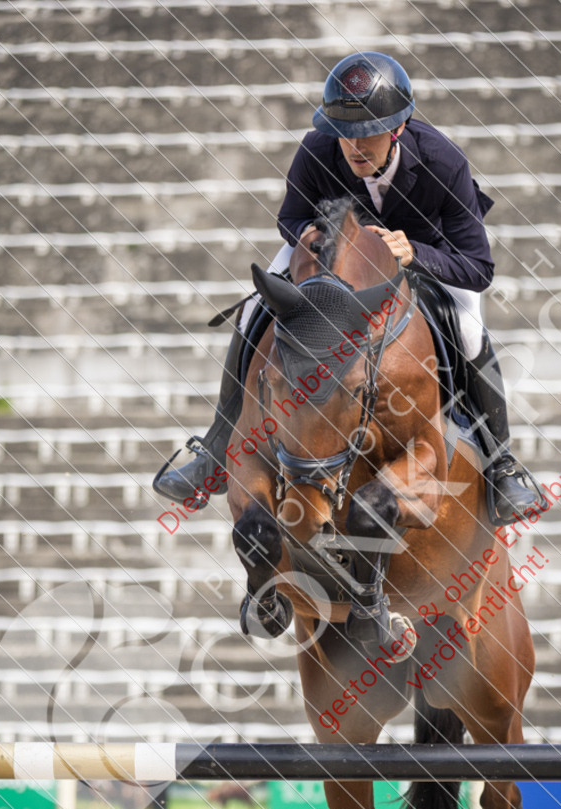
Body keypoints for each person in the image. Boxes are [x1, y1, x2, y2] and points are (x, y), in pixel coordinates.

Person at [154, 51, 540, 521]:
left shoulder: (443, 162)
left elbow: (477, 267)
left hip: (425, 258)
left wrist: (414, 253)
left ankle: (500, 465)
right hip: (335, 257)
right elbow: (291, 216)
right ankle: (215, 450)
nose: (353, 147)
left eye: (367, 135)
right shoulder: (318, 147)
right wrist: (309, 238)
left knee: (470, 329)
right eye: (345, 134)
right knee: (257, 307)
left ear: (397, 129)